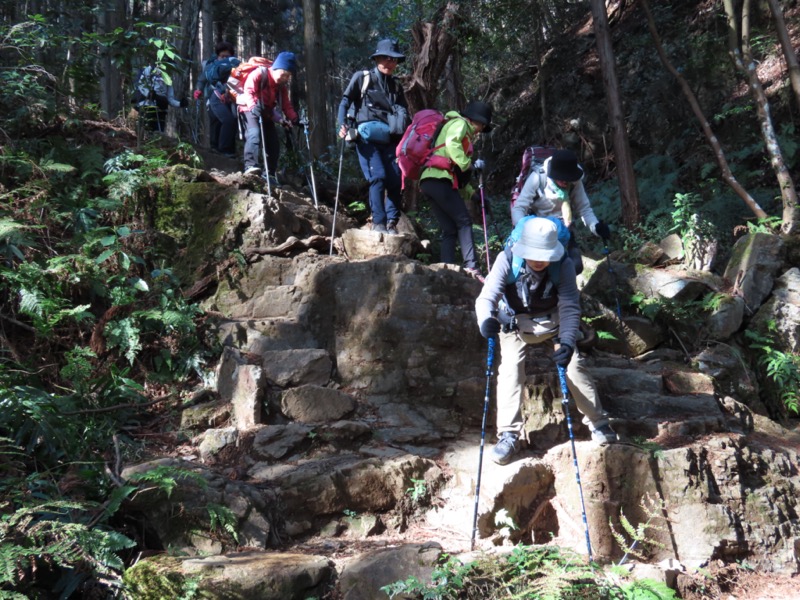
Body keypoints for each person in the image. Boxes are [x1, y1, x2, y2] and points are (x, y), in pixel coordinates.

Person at [475, 217, 618, 465]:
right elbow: (487, 297)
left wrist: (566, 343)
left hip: (554, 323)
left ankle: (599, 422)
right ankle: (508, 434)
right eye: (533, 254)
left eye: (544, 255)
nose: (539, 260)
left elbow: (570, 307)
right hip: (515, 322)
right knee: (510, 369)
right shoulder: (507, 259)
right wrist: (486, 320)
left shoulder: (562, 265)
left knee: (574, 366)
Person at [337, 39, 409, 234]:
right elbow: (345, 101)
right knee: (378, 177)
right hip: (366, 138)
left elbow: (404, 113)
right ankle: (378, 223)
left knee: (395, 180)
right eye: (385, 58)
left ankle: (392, 223)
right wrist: (342, 124)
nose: (390, 63)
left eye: (393, 59)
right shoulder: (363, 78)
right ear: (376, 59)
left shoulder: (396, 86)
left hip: (391, 139)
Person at [419, 100, 492, 281]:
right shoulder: (460, 124)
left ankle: (447, 268)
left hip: (429, 182)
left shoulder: (456, 128)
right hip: (439, 180)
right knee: (464, 221)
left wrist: (474, 194)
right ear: (475, 120)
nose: (480, 130)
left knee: (449, 228)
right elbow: (453, 145)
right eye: (482, 125)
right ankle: (472, 267)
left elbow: (457, 177)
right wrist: (470, 165)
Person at [511, 149, 610, 274]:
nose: (565, 182)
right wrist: (525, 230)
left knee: (576, 266)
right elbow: (519, 207)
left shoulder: (574, 181)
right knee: (544, 268)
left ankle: (563, 291)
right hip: (539, 230)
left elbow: (584, 209)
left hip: (564, 229)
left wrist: (596, 227)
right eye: (562, 178)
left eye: (568, 179)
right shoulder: (538, 177)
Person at [237, 51, 299, 179]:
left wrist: (295, 118)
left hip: (267, 113)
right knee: (254, 134)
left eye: (288, 76)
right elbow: (249, 90)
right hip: (248, 108)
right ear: (276, 68)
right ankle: (250, 166)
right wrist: (253, 106)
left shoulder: (280, 86)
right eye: (284, 74)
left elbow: (286, 105)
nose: (285, 78)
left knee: (273, 143)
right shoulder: (259, 73)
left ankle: (269, 173)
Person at [194, 41, 239, 158]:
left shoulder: (234, 66)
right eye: (222, 56)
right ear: (217, 56)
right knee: (219, 123)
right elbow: (202, 80)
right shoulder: (211, 66)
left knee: (228, 121)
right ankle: (219, 150)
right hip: (214, 96)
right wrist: (198, 90)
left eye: (227, 56)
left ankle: (227, 150)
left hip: (230, 97)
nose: (224, 58)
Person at [133, 65, 187, 132]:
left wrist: (180, 104)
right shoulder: (149, 70)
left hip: (161, 108)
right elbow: (141, 86)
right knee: (147, 130)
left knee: (158, 132)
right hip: (147, 106)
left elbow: (170, 98)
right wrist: (150, 94)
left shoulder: (167, 78)